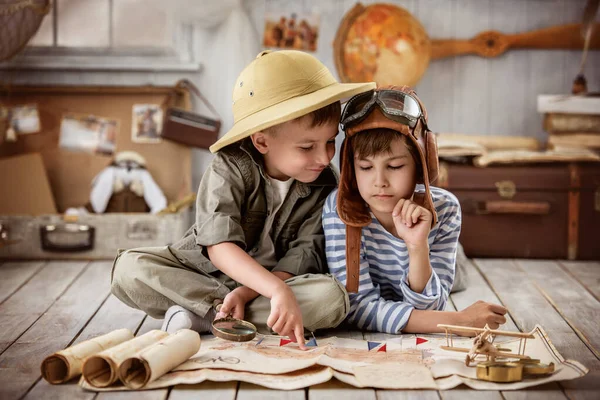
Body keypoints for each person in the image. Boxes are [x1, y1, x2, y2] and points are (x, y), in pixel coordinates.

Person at [111, 50, 375, 348]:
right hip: (203, 274)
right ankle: (218, 310)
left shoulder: (326, 183)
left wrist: (261, 290)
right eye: (306, 147)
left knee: (332, 298)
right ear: (262, 141)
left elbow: (304, 253)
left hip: (270, 285)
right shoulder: (228, 167)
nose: (324, 156)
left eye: (330, 141)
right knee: (128, 269)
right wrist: (275, 291)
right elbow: (219, 246)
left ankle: (202, 314)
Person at [322, 86, 507, 334]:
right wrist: (459, 321)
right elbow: (357, 308)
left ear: (421, 164)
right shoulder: (338, 208)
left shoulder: (446, 208)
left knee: (458, 280)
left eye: (395, 166)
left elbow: (433, 305)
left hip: (444, 269)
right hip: (397, 292)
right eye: (365, 167)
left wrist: (418, 247)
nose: (379, 181)